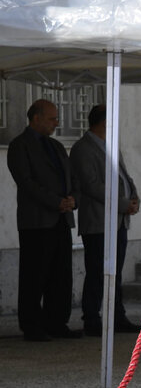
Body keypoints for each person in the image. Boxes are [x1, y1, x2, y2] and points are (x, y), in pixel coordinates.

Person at [6, 99, 81, 341]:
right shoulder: (20, 146)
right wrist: (55, 201)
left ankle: (56, 321)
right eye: (52, 118)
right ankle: (31, 325)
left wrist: (72, 200)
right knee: (35, 274)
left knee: (61, 274)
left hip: (61, 219)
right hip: (37, 222)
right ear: (36, 118)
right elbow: (27, 183)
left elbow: (72, 179)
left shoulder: (57, 147)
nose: (56, 123)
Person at [69, 104, 141, 337]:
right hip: (98, 222)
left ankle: (116, 316)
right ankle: (92, 318)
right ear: (102, 123)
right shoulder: (83, 149)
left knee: (116, 272)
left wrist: (134, 198)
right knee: (98, 271)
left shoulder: (111, 146)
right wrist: (122, 203)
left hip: (119, 221)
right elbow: (91, 185)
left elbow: (124, 176)